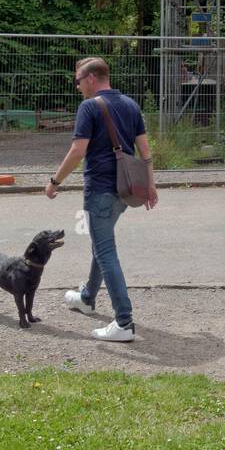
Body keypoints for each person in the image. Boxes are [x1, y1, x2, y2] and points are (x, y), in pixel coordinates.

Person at [45, 56, 158, 342]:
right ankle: (86, 297)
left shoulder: (89, 107)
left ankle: (124, 322)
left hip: (100, 190)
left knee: (106, 251)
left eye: (78, 81)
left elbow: (77, 151)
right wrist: (151, 186)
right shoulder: (131, 105)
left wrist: (54, 181)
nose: (78, 87)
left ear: (91, 78)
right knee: (102, 243)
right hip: (125, 191)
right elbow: (145, 151)